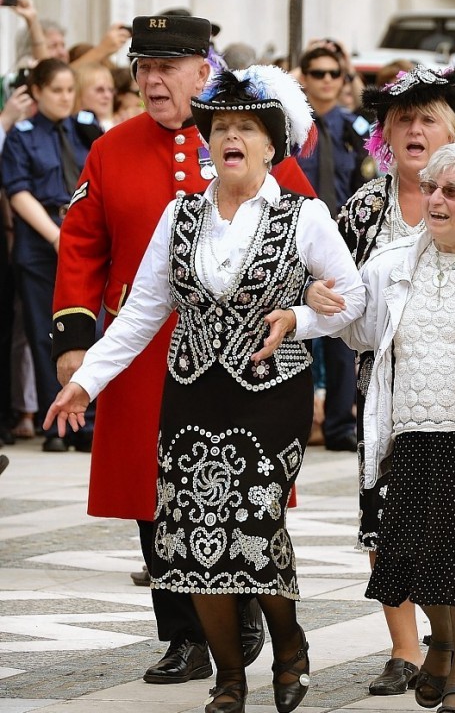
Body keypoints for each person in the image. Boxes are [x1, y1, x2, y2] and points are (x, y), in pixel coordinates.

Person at [45, 63, 365, 713]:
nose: (231, 137)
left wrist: (300, 318)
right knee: (190, 539)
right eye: (221, 127)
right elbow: (140, 314)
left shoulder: (303, 216)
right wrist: (89, 380)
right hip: (190, 395)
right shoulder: (180, 215)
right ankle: (228, 678)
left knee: (251, 525)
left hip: (271, 396)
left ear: (271, 144)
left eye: (246, 127)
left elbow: (352, 297)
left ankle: (289, 642)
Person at [312, 64, 455, 698]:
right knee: (392, 525)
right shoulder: (365, 206)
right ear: (385, 134)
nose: (414, 129)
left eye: (429, 119)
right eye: (403, 120)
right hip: (388, 390)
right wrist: (311, 308)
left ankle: (453, 639)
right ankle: (410, 645)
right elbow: (341, 296)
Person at [341, 144, 455, 713]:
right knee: (419, 559)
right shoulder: (393, 260)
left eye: (452, 192)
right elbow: (358, 330)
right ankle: (442, 643)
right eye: (431, 189)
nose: (437, 201)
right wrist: (316, 306)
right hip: (413, 430)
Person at [1, 58, 99, 454]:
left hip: (83, 240)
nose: (64, 98)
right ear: (36, 92)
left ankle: (86, 421)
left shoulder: (84, 129)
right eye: (56, 90)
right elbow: (18, 190)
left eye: (68, 90)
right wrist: (58, 237)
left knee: (89, 332)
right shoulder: (23, 135)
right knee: (47, 333)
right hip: (43, 242)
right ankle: (53, 423)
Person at [296, 44, 372, 453]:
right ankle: (300, 419)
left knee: (342, 333)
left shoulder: (352, 126)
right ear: (303, 77)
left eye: (334, 74)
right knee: (298, 332)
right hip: (298, 242)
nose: (327, 80)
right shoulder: (291, 127)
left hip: (342, 240)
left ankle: (342, 423)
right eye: (318, 73)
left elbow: (373, 162)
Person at [74, 62, 115, 132]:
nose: (108, 96)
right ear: (80, 92)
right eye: (100, 90)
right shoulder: (69, 128)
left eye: (110, 90)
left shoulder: (120, 125)